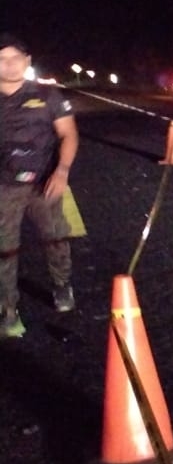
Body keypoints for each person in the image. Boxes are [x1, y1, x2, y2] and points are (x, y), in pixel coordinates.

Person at [0, 33, 78, 337]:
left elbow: (68, 134)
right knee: (4, 249)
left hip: (45, 182)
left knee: (55, 238)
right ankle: (7, 310)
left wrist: (62, 170)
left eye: (16, 58)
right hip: (4, 186)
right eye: (2, 60)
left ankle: (62, 286)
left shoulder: (49, 96)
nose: (9, 65)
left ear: (27, 62)